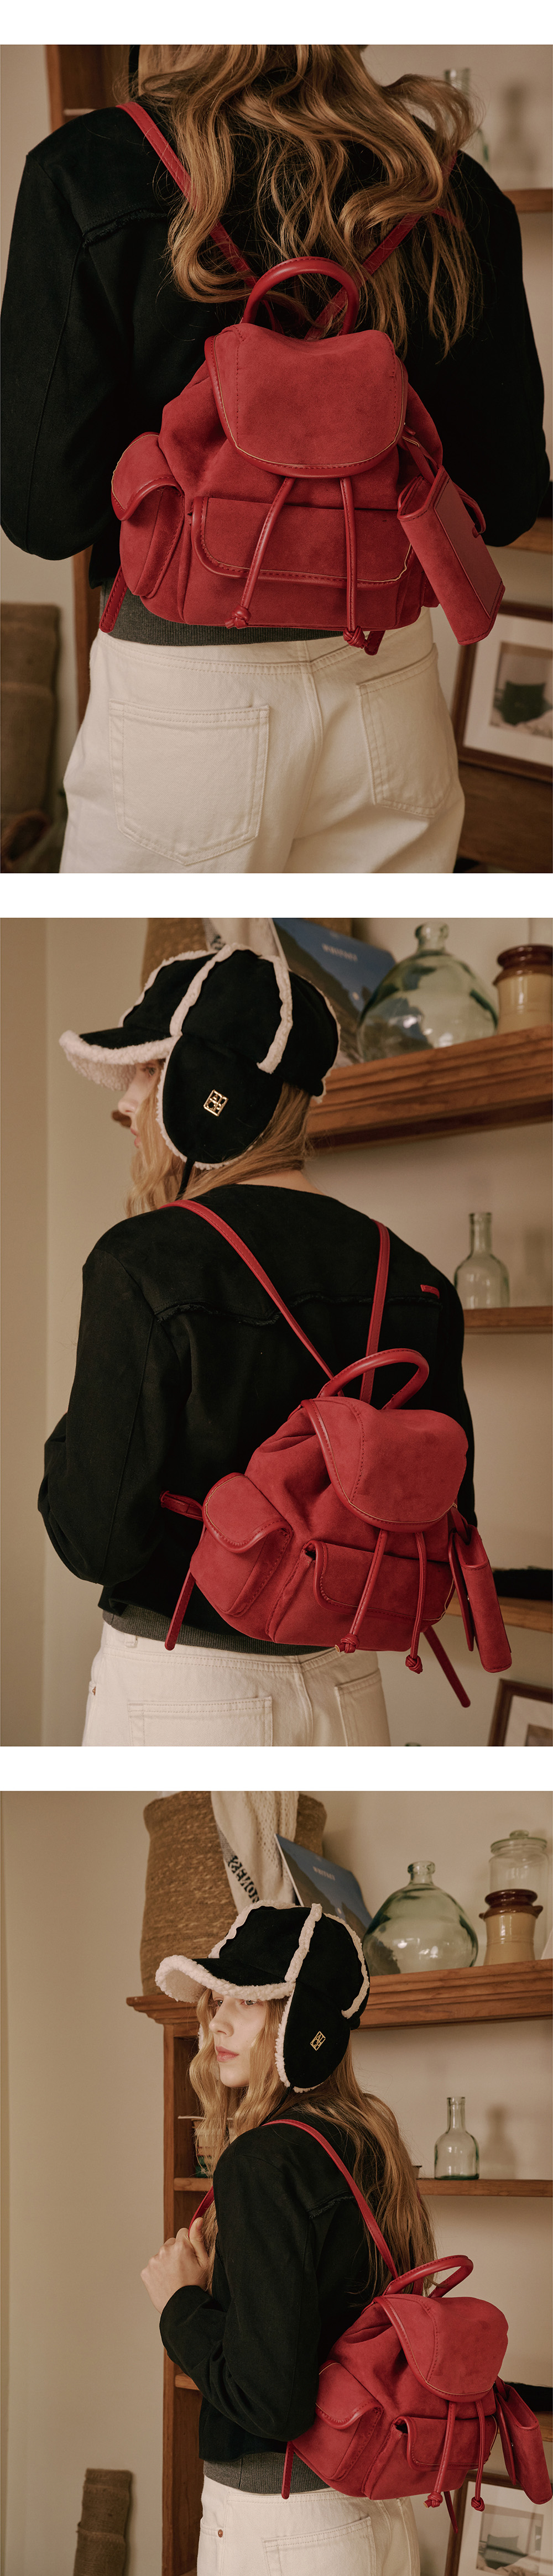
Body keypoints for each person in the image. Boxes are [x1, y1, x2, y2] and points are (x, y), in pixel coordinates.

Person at [2, 51, 550, 876]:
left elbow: (46, 519)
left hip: (186, 696)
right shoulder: (447, 184)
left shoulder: (89, 170)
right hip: (388, 678)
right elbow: (503, 504)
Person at [39, 936, 472, 1752]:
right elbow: (444, 1515)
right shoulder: (418, 1279)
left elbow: (96, 1539)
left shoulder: (145, 1260)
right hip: (353, 1691)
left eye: (146, 1070)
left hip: (188, 1688)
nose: (125, 1104)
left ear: (206, 1090)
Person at [141, 1897, 431, 2576]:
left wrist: (181, 2303)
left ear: (304, 2023)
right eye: (218, 2001)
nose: (218, 2023)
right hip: (376, 2512)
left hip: (285, 2523)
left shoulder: (263, 2161)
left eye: (250, 2002)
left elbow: (271, 2402)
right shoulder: (368, 2139)